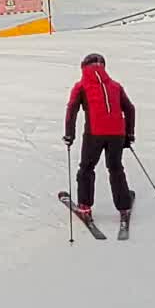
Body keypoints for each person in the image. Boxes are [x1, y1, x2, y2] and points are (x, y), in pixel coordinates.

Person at [63, 52, 136, 225]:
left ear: (83, 67)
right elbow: (130, 109)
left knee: (87, 168)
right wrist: (129, 134)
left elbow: (71, 110)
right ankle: (124, 207)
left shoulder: (81, 86)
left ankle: (85, 207)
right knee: (115, 168)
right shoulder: (115, 86)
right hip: (117, 134)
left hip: (94, 134)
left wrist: (69, 135)